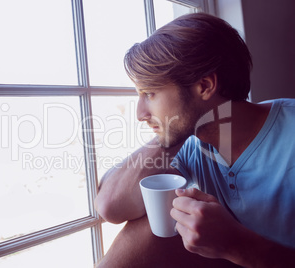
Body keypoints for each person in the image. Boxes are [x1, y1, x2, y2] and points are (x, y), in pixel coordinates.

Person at [94, 13, 295, 267]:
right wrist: (172, 132)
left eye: (150, 93)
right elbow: (111, 205)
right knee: (151, 225)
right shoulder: (193, 146)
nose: (140, 114)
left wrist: (236, 244)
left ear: (205, 85)